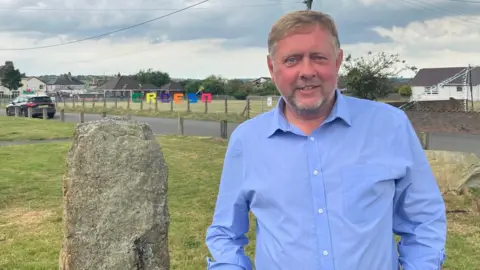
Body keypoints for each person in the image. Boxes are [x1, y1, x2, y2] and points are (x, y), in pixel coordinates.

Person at [205, 10, 447, 270]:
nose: (307, 71)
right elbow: (225, 234)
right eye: (292, 60)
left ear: (337, 61)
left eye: (318, 57)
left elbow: (424, 220)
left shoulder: (389, 126)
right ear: (271, 67)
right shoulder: (247, 140)